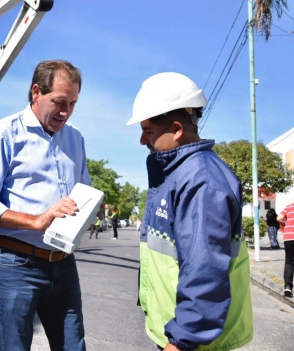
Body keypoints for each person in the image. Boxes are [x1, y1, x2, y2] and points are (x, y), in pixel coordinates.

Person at [0, 60, 90, 351]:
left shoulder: (75, 138)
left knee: (73, 347)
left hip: (63, 263)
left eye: (72, 104)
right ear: (36, 92)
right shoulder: (5, 133)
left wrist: (88, 211)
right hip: (16, 264)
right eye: (59, 102)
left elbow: (83, 191)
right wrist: (35, 220)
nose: (65, 112)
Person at [126, 72, 253, 350]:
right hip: (179, 334)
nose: (141, 140)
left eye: (147, 130)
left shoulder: (201, 180)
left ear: (176, 129)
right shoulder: (179, 173)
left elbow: (204, 269)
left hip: (191, 343)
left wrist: (183, 339)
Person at [277, 202, 294, 297]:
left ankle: (288, 286)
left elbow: (279, 218)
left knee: (289, 262)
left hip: (289, 237)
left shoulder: (289, 206)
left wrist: (286, 224)